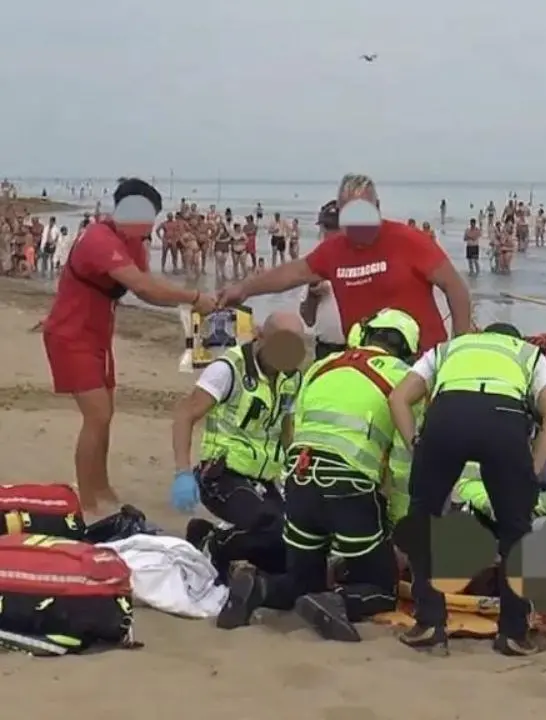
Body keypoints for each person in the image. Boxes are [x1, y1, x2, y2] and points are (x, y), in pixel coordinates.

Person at [216, 309, 421, 640]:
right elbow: (402, 463)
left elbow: (293, 427)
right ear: (409, 350)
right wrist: (399, 525)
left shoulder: (323, 366)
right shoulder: (405, 379)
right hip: (347, 486)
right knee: (381, 589)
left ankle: (260, 587)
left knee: (303, 580)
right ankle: (336, 602)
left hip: (299, 479)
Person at [387, 322, 546, 655]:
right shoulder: (529, 354)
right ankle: (513, 633)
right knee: (516, 531)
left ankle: (429, 624)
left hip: (447, 416)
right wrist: (533, 470)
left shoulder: (449, 348)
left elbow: (398, 398)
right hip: (504, 420)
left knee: (424, 520)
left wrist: (417, 445)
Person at [42, 178, 216, 514]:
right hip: (70, 335)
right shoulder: (98, 237)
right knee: (97, 416)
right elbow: (143, 287)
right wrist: (193, 297)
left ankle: (101, 485)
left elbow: (148, 285)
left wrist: (194, 302)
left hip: (98, 336)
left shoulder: (134, 241)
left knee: (106, 415)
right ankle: (86, 500)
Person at [219, 174, 472, 351]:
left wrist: (459, 348)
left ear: (378, 207)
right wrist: (244, 289)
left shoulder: (409, 240)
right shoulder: (334, 250)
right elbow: (291, 273)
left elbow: (456, 288)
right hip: (365, 365)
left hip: (421, 361)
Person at [171, 312, 306, 582]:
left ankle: (208, 533)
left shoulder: (292, 378)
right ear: (260, 335)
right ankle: (215, 545)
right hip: (222, 475)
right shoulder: (228, 369)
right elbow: (185, 416)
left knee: (290, 546)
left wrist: (294, 473)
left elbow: (286, 429)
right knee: (271, 527)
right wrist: (182, 473)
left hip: (263, 478)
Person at [299, 200, 345, 360]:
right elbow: (308, 319)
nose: (330, 234)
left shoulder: (364, 261)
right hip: (326, 347)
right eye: (326, 228)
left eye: (335, 228)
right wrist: (313, 295)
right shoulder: (317, 264)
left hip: (356, 348)